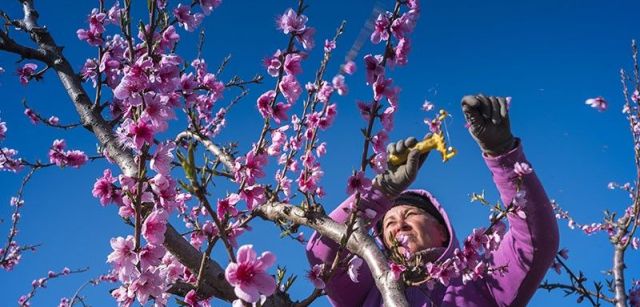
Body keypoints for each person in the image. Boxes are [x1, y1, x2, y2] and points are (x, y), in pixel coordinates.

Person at [306, 95, 559, 306]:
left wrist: (503, 154)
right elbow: (322, 253)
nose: (398, 225)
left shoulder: (482, 279)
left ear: (441, 231)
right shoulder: (368, 285)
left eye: (410, 215)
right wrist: (381, 190)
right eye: (388, 223)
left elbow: (534, 242)